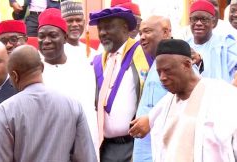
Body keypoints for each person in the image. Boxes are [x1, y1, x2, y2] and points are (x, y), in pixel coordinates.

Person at [129, 39, 237, 161]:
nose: (162, 78)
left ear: (187, 64)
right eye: (159, 72)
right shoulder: (167, 102)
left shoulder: (223, 97)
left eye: (167, 70)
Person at [0, 45, 97, 162]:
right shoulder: (73, 106)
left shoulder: (5, 111)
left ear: (14, 76)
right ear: (42, 67)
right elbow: (86, 158)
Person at [89, 7, 149, 161]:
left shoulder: (144, 54)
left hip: (134, 145)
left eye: (108, 27)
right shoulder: (97, 61)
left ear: (125, 28)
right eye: (100, 28)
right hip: (105, 147)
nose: (102, 33)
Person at [37, 8, 99, 158]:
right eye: (41, 36)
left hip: (82, 146)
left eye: (52, 35)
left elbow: (90, 111)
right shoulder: (33, 70)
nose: (46, 41)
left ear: (64, 38)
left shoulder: (85, 67)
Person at [132, 15, 172, 162]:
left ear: (166, 32)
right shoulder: (156, 61)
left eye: (147, 31)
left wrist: (151, 119)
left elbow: (185, 102)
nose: (142, 37)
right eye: (140, 33)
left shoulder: (178, 62)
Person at [186, 0, 237, 82]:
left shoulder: (226, 44)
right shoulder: (184, 45)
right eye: (195, 19)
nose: (198, 23)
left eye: (204, 19)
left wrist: (200, 63)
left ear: (213, 22)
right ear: (190, 21)